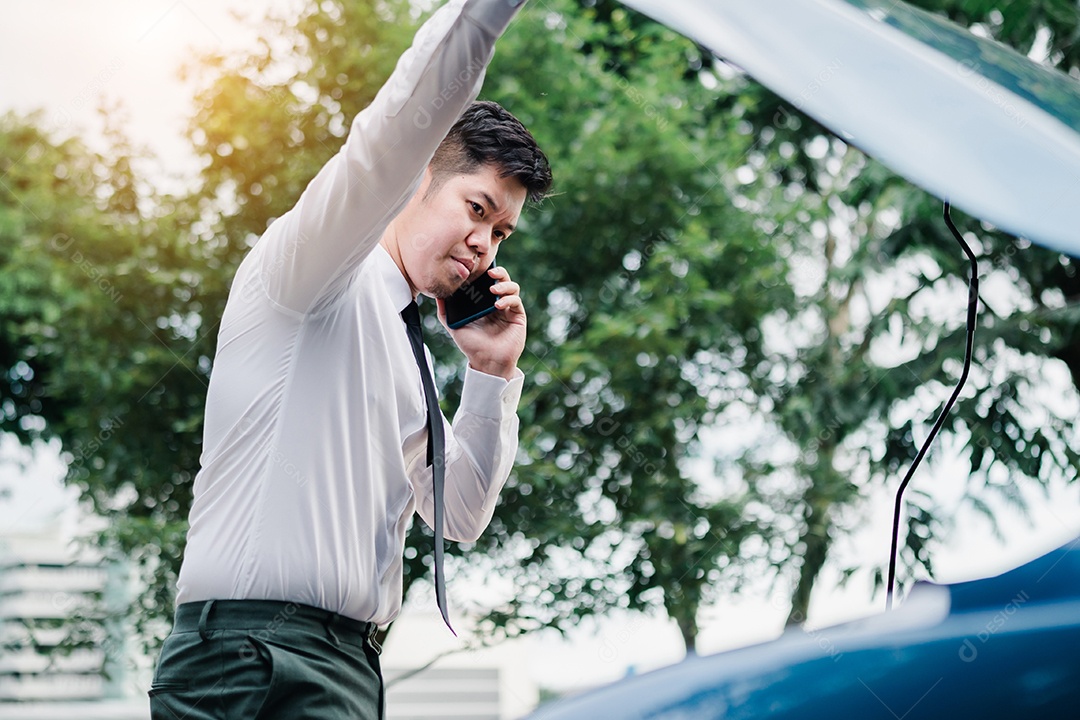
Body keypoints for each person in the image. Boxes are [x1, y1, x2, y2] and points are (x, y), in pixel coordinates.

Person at [148, 0, 552, 717]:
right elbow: (394, 132)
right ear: (420, 178)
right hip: (252, 662)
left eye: (504, 232)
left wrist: (491, 376)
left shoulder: (412, 347)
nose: (487, 243)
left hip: (350, 665)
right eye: (478, 208)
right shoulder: (316, 271)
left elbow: (457, 515)